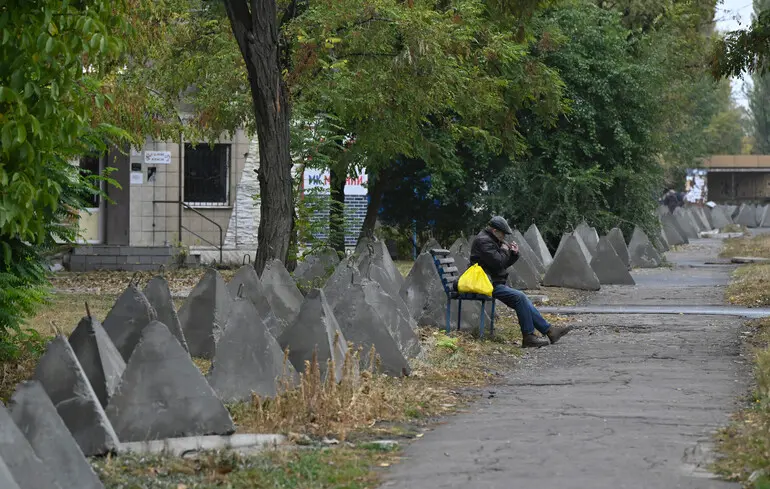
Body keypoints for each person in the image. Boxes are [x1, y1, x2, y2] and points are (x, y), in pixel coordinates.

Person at [470, 216, 572, 348]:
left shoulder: (490, 240)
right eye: (503, 234)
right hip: (484, 284)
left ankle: (550, 331)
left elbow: (502, 265)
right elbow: (499, 262)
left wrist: (513, 254)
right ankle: (530, 336)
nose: (504, 237)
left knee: (522, 300)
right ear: (494, 230)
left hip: (491, 282)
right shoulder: (484, 241)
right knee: (520, 297)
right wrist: (505, 250)